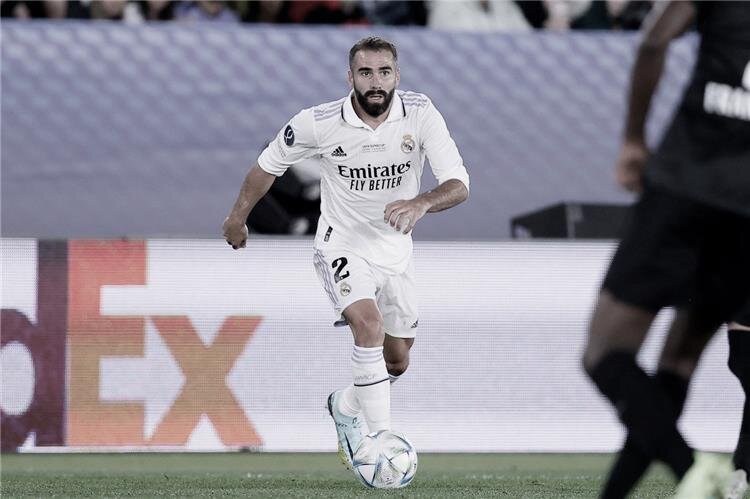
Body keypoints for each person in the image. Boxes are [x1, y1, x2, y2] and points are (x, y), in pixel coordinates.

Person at [223, 36, 469, 470]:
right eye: (365, 72)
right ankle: (379, 443)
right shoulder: (318, 122)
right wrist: (237, 218)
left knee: (397, 360)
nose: (376, 81)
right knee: (368, 325)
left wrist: (420, 203)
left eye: (384, 72)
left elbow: (458, 184)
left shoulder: (420, 113)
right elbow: (267, 166)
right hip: (342, 244)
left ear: (397, 75)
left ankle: (346, 405)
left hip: (395, 249)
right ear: (350, 77)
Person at [581, 1, 750, 498]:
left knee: (603, 353)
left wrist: (633, 139)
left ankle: (690, 465)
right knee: (679, 362)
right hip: (744, 214)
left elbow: (654, 40)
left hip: (685, 188)